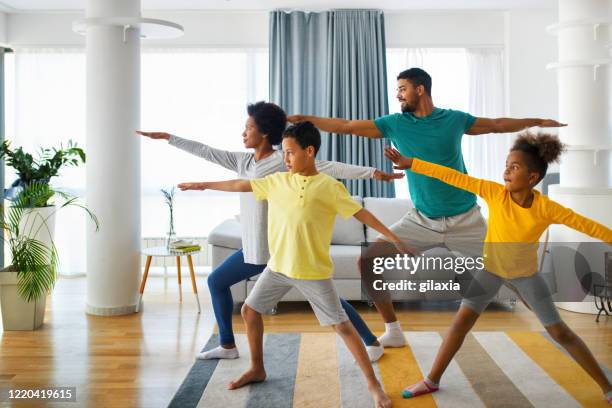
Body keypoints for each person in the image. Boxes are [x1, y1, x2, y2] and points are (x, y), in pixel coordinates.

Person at [288, 67, 567, 348]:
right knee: (368, 260)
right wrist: (307, 119)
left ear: (419, 89)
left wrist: (537, 121)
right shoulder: (394, 123)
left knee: (514, 275)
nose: (398, 95)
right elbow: (346, 125)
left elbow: (495, 124)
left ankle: (556, 331)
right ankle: (393, 329)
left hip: (467, 220)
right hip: (421, 221)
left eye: (402, 89)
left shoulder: (453, 120)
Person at [137, 102, 403, 362]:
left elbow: (329, 167)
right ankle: (369, 340)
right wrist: (169, 138)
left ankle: (229, 344)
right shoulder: (241, 161)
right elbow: (206, 151)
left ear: (264, 132)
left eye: (248, 127)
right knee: (326, 297)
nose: (243, 132)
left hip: (271, 249)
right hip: (253, 246)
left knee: (220, 282)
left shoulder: (283, 160)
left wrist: (372, 173)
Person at [179, 121, 410, 408]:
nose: (285, 159)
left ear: (309, 151)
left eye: (289, 153)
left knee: (342, 327)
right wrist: (204, 184)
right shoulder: (278, 182)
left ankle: (374, 386)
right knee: (250, 310)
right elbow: (242, 183)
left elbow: (363, 215)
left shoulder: (329, 187)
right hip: (278, 267)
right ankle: (257, 368)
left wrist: (393, 237)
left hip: (312, 272)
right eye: (283, 153)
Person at [384, 132, 612, 404]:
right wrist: (414, 164)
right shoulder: (495, 193)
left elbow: (584, 224)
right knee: (460, 323)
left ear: (532, 178)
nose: (506, 170)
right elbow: (454, 176)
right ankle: (431, 380)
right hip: (490, 271)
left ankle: (607, 388)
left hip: (525, 277)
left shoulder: (545, 208)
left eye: (514, 167)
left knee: (560, 332)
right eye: (506, 164)